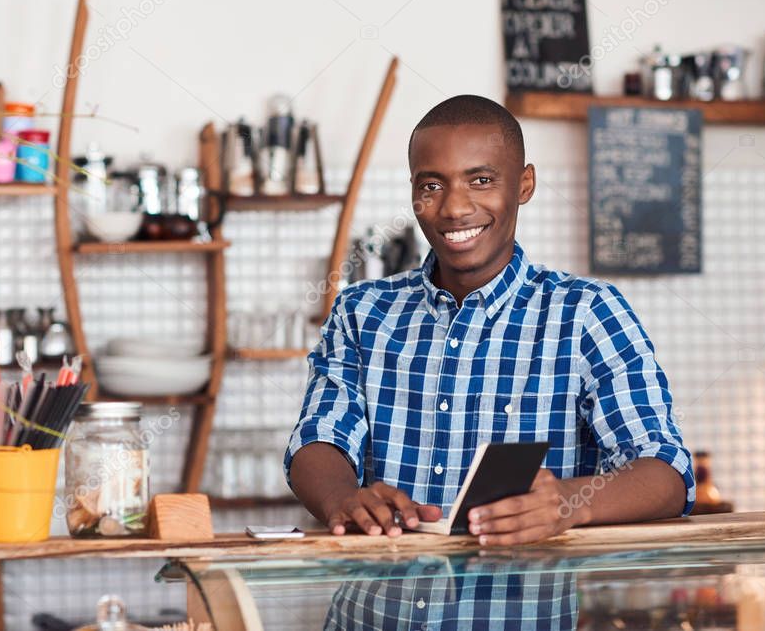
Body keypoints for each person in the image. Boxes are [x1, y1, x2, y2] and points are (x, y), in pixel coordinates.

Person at [285, 94, 694, 547]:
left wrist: (567, 502)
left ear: (524, 184)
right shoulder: (361, 312)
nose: (455, 208)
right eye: (432, 186)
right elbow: (319, 438)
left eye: (480, 180)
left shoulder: (586, 313)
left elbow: (664, 471)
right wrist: (343, 498)